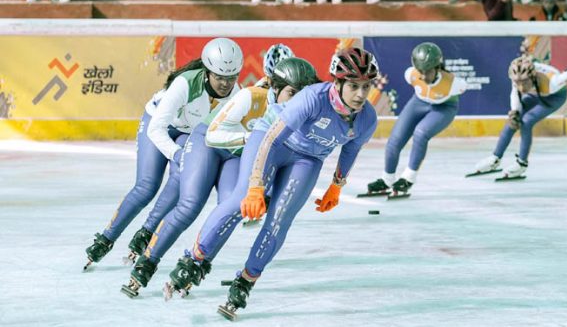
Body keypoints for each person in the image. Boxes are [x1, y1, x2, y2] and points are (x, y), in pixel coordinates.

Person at [121, 58, 318, 298]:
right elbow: (213, 135)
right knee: (189, 206)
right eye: (292, 93)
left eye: (304, 94)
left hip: (236, 156)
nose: (299, 101)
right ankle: (147, 263)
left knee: (233, 210)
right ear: (275, 89)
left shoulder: (300, 113)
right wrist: (251, 139)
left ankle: (196, 265)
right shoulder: (251, 97)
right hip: (207, 143)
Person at [215, 47, 379, 319]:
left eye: (366, 86)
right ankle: (196, 259)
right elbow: (270, 139)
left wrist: (337, 184)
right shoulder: (312, 98)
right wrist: (256, 185)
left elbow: (350, 149)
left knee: (279, 221)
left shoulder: (367, 118)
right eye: (353, 85)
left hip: (307, 160)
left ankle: (245, 281)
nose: (361, 94)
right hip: (275, 146)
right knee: (239, 203)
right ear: (337, 82)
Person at [84, 38, 242, 270]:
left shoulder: (236, 94)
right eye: (219, 77)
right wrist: (177, 153)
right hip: (159, 124)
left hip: (189, 132)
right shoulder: (185, 84)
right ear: (207, 71)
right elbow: (156, 129)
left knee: (183, 177)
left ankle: (147, 232)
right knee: (147, 185)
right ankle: (107, 237)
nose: (225, 84)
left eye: (231, 77)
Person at [365, 43, 468, 196]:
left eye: (428, 72)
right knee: (394, 140)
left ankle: (408, 178)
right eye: (420, 71)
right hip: (418, 102)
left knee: (420, 133)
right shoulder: (410, 74)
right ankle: (387, 179)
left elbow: (460, 92)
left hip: (444, 108)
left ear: (438, 67)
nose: (424, 76)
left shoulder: (454, 84)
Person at [473, 55, 567, 179]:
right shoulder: (517, 76)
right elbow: (514, 95)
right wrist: (515, 112)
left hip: (554, 97)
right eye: (517, 83)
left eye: (524, 82)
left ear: (532, 76)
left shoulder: (553, 82)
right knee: (513, 120)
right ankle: (495, 158)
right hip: (535, 92)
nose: (521, 87)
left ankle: (522, 163)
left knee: (527, 121)